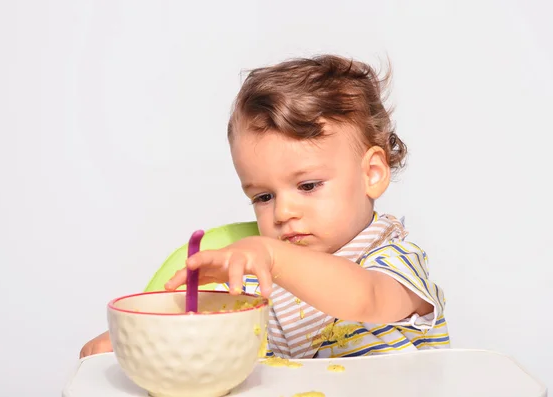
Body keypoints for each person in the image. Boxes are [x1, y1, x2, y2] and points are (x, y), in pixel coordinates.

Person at [80, 54, 449, 359]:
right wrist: (128, 343)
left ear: (371, 173)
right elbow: (191, 330)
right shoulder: (254, 279)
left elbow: (364, 298)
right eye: (263, 196)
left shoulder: (393, 258)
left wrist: (273, 256)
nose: (283, 212)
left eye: (308, 185)